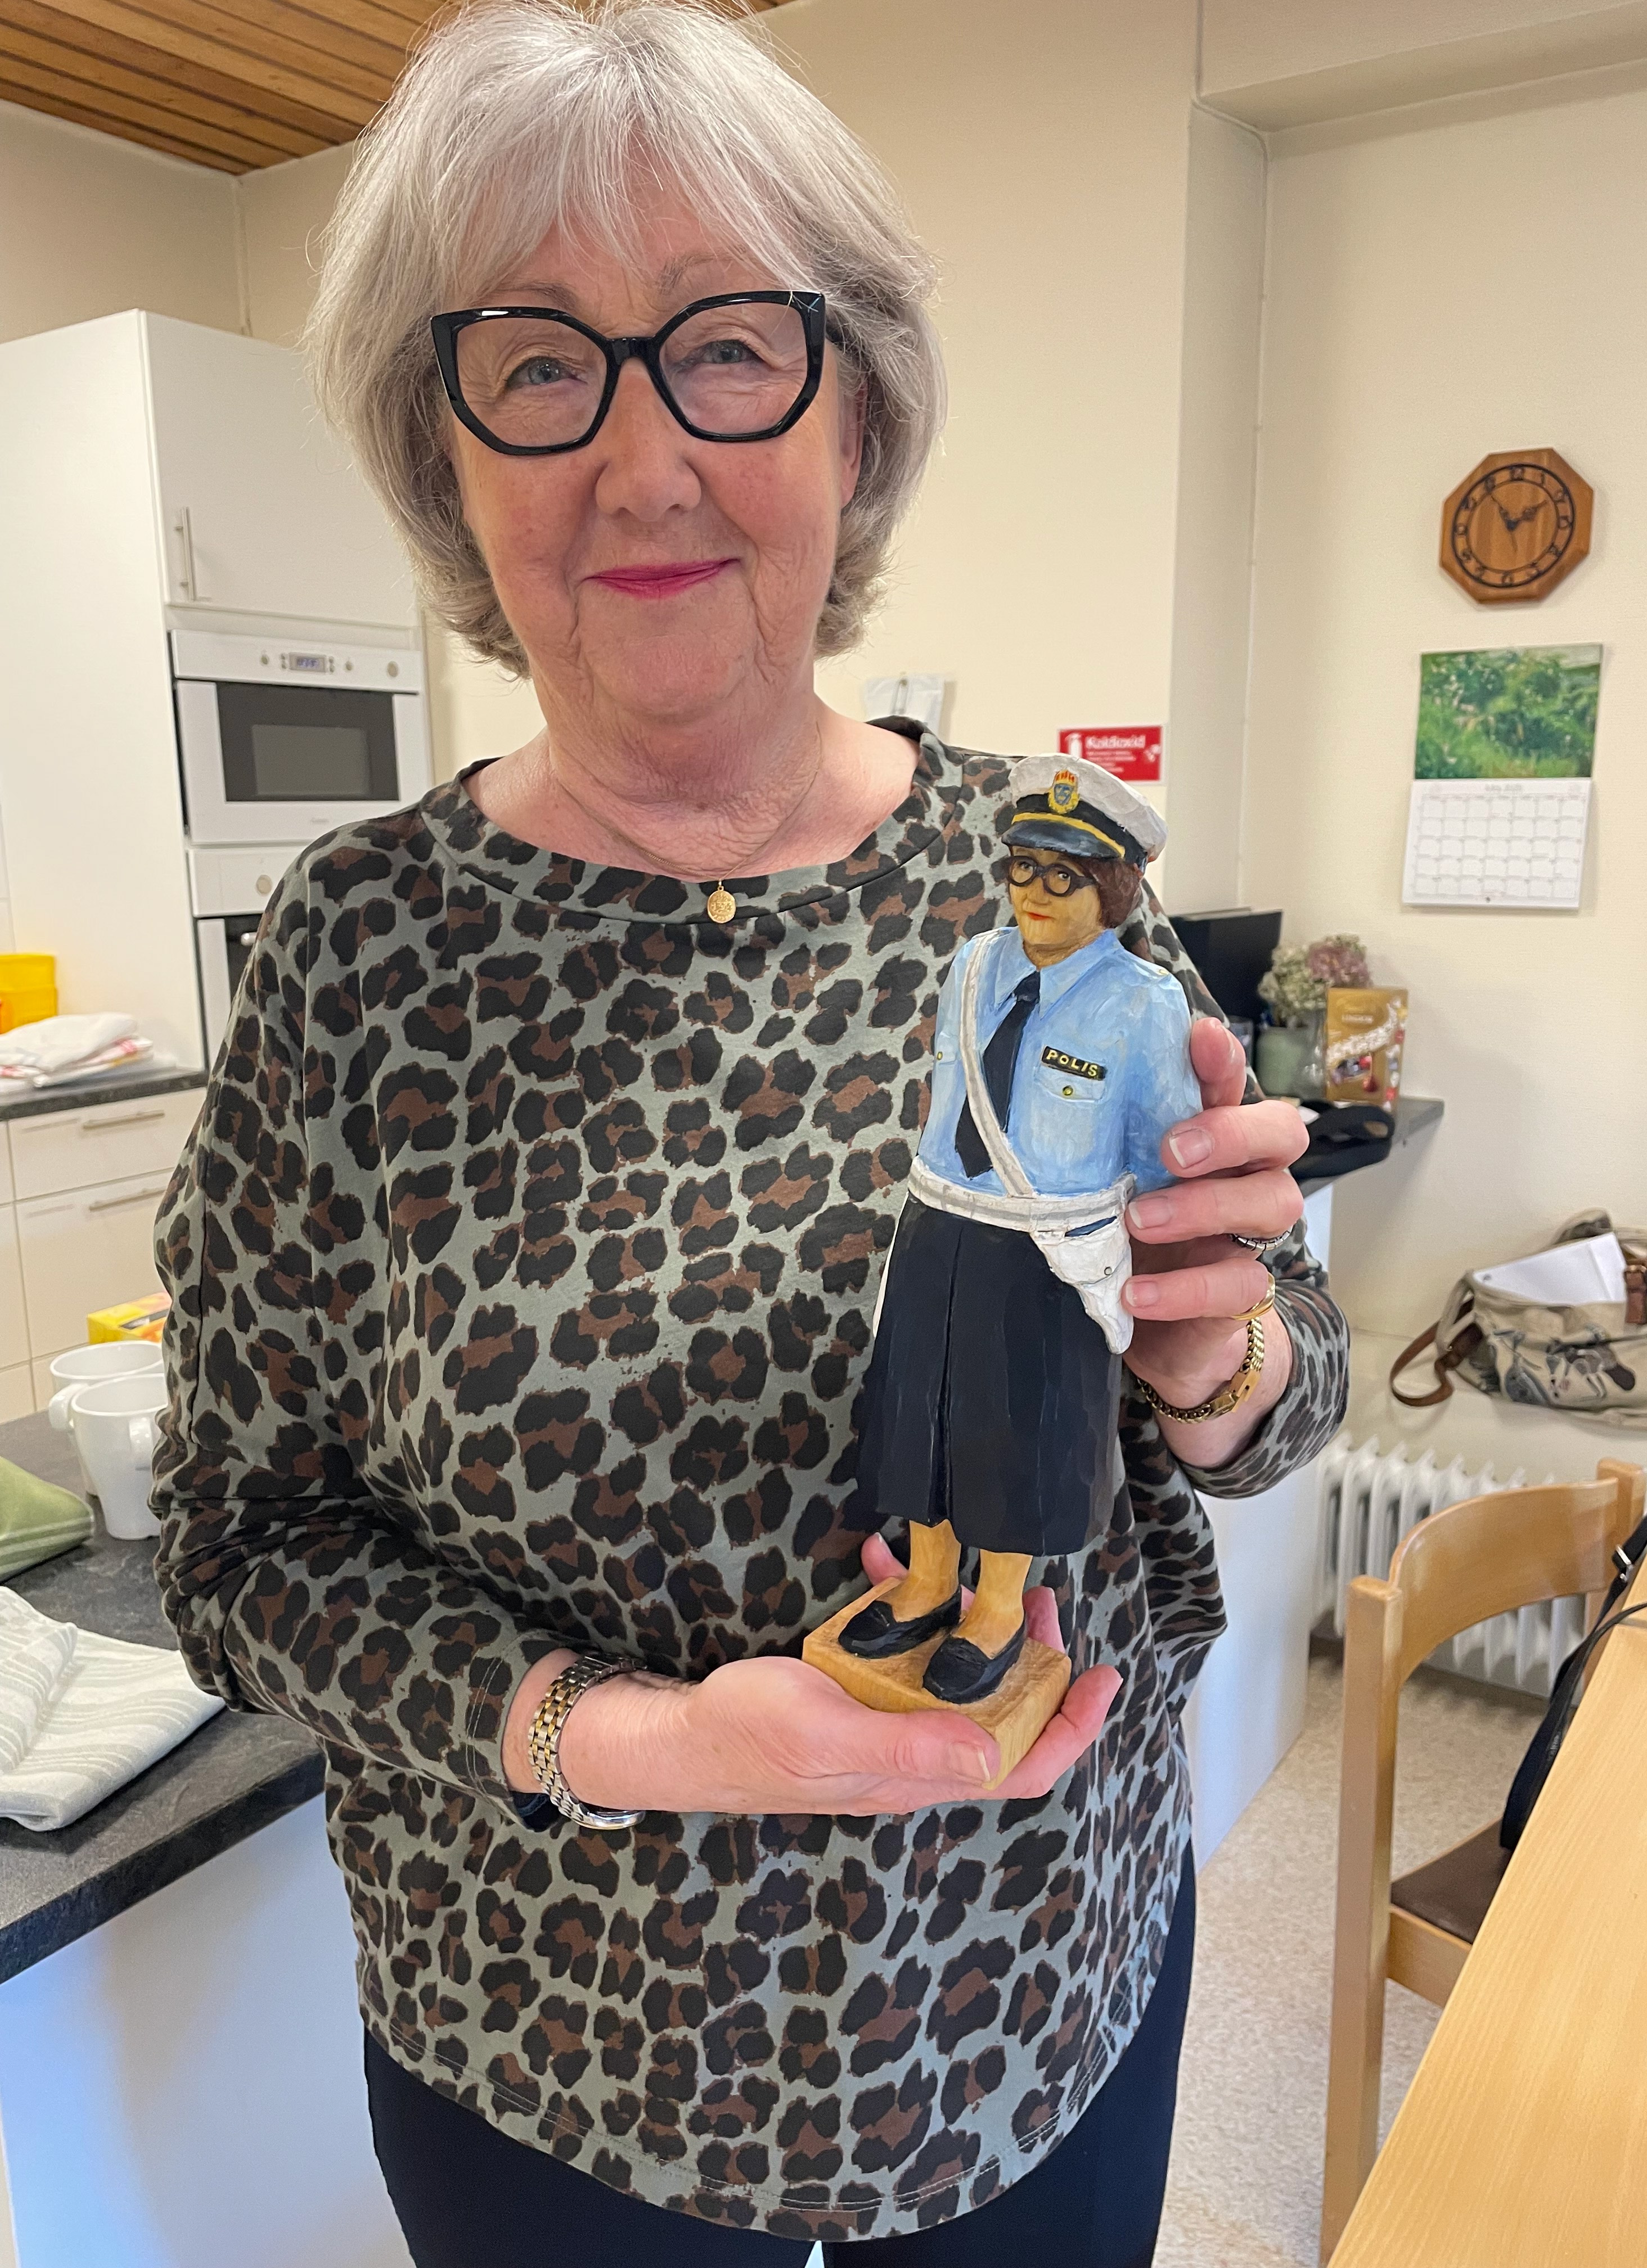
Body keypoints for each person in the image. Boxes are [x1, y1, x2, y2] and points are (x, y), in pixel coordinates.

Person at [150, 5, 1348, 2263]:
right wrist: (642, 1740)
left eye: (724, 348)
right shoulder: (359, 955)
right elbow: (238, 1543)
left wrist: (1224, 1359)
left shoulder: (1044, 877)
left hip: (1033, 1991)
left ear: (853, 412)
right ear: (444, 450)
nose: (642, 461)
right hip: (551, 2053)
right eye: (537, 363)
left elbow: (1285, 1392)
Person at [844, 754, 1207, 1704]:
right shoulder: (973, 966)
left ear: (1114, 889)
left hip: (1046, 1246)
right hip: (940, 1217)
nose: (1036, 894)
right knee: (920, 1411)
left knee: (1015, 1429)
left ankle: (997, 1606)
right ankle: (927, 1582)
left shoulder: (1144, 1001)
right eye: (1023, 868)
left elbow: (1162, 1146)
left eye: (1066, 877)